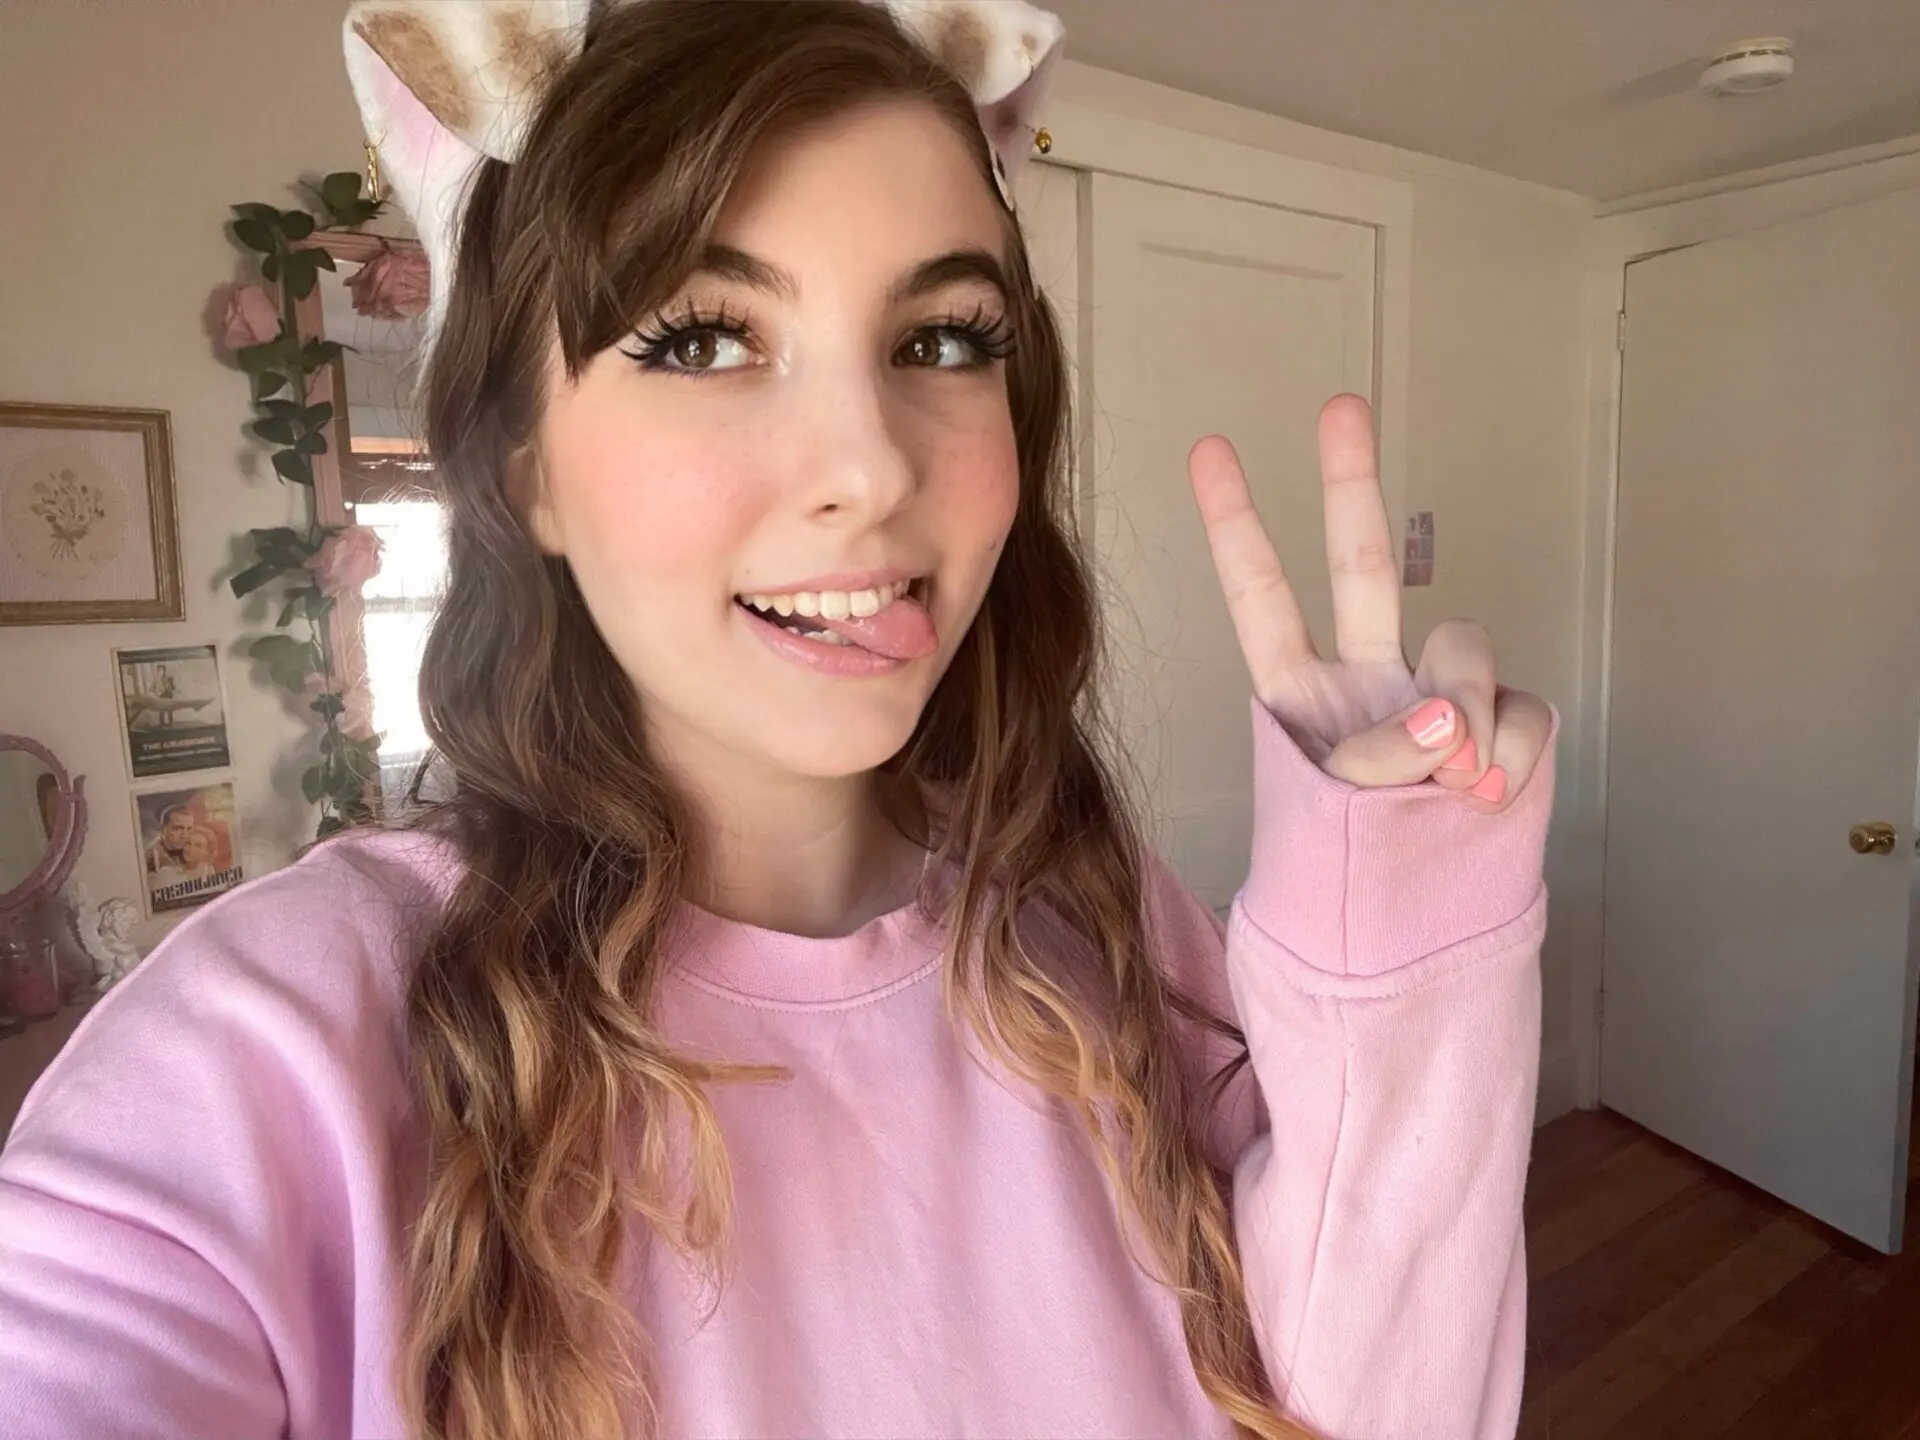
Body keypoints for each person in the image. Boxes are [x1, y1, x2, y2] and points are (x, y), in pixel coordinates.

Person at [0, 2, 1555, 1438]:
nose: (871, 467)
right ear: (525, 470)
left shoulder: (1096, 913)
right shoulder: (264, 1054)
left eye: (941, 340)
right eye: (701, 338)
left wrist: (1398, 925)